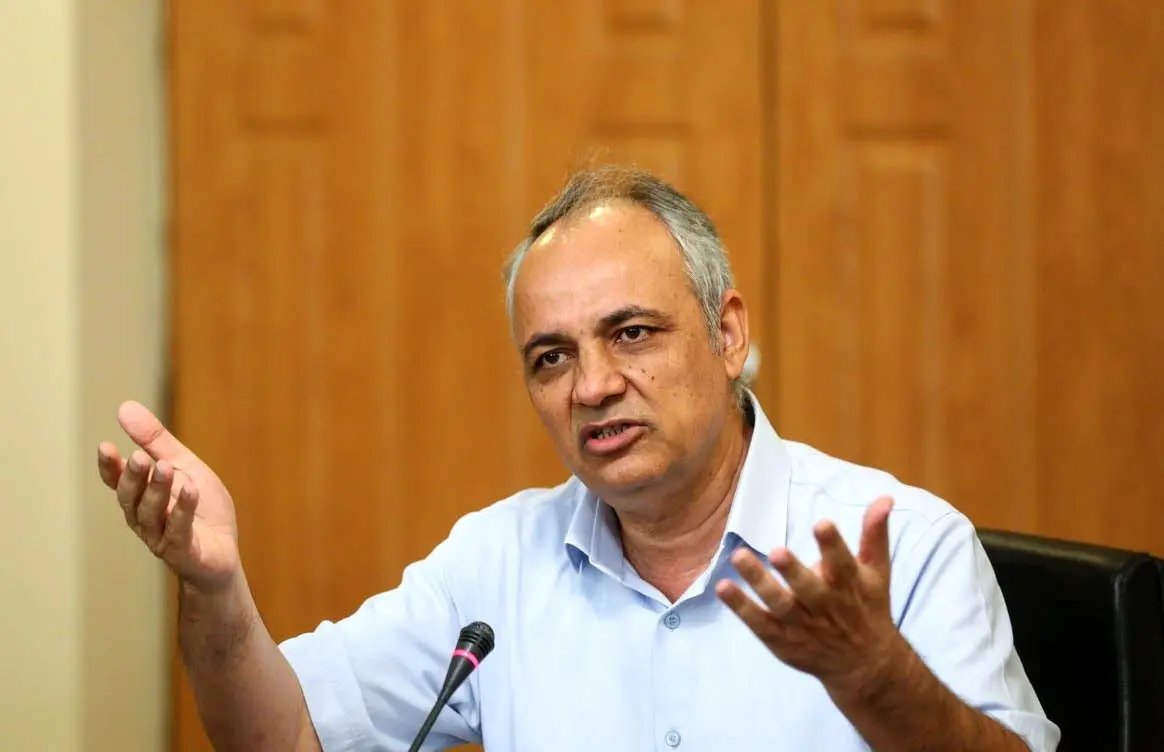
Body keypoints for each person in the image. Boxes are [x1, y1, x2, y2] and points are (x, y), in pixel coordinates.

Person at [97, 166, 1060, 751]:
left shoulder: (903, 546)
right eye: (551, 358)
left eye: (631, 333)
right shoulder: (498, 566)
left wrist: (872, 673)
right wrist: (216, 590)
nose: (592, 386)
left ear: (727, 334)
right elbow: (285, 735)